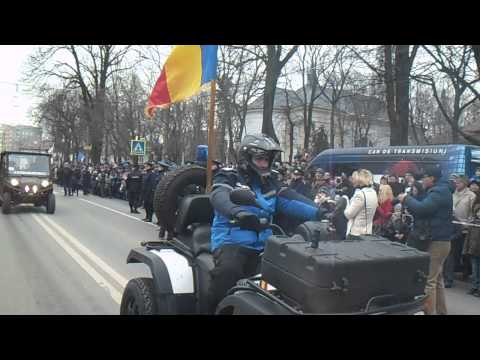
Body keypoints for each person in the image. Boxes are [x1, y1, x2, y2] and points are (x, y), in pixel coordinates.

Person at [208, 133, 327, 313]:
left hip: (264, 245)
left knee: (281, 280)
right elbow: (219, 197)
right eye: (260, 159)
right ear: (246, 158)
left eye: (267, 160)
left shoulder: (271, 182)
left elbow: (292, 202)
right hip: (231, 242)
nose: (264, 164)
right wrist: (237, 212)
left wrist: (321, 212)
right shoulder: (228, 176)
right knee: (228, 272)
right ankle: (213, 309)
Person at [398, 165, 455, 315]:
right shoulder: (440, 190)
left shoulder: (439, 192)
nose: (422, 180)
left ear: (432, 178)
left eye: (424, 177)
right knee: (437, 281)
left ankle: (429, 312)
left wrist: (407, 199)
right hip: (441, 241)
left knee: (429, 281)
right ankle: (442, 312)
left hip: (437, 242)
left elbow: (422, 209)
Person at [443, 175, 477, 287]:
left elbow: (473, 213)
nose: (456, 184)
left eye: (459, 182)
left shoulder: (471, 196)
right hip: (451, 226)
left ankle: (462, 274)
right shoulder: (452, 193)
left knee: (460, 254)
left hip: (464, 228)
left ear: (465, 183)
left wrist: (467, 226)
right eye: (456, 182)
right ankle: (448, 277)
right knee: (450, 253)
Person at [344, 169, 378, 239]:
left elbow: (348, 214)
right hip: (368, 232)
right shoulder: (373, 192)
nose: (352, 181)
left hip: (356, 234)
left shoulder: (360, 194)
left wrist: (346, 201)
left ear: (358, 179)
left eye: (353, 179)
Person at [462, 202, 480, 297]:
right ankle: (475, 286)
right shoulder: (474, 222)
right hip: (474, 247)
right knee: (475, 268)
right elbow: (469, 236)